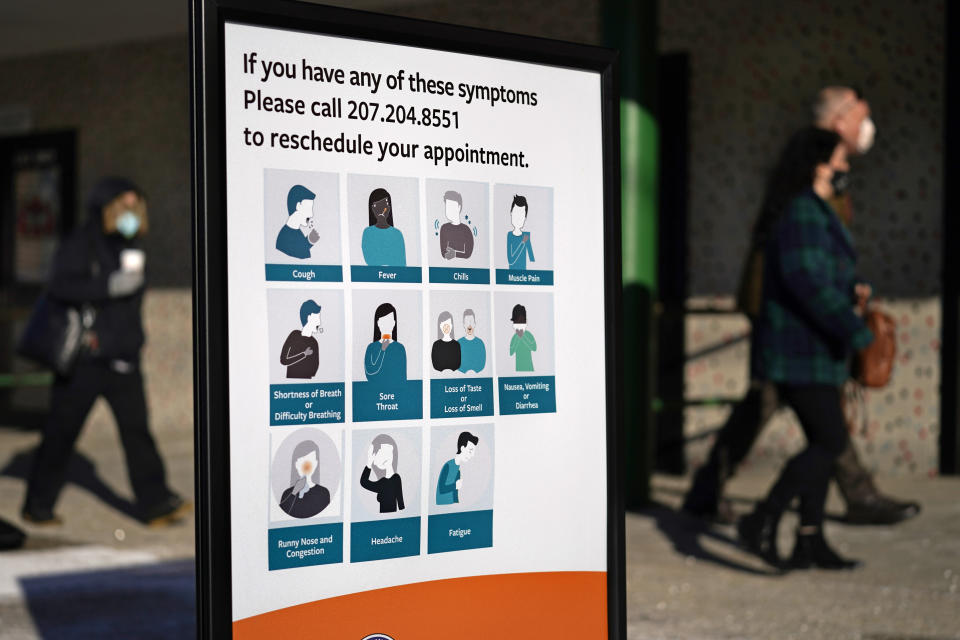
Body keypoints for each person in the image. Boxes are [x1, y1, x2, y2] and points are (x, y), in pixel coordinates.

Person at [683, 86, 919, 526]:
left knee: (801, 412)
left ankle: (808, 513)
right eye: (861, 118)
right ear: (839, 122)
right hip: (792, 319)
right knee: (800, 411)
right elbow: (800, 263)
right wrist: (847, 322)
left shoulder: (826, 174)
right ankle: (819, 504)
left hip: (802, 315)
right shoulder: (806, 175)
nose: (867, 129)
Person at [737, 127, 872, 570]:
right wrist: (854, 327)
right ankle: (762, 517)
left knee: (822, 441)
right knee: (830, 442)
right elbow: (806, 282)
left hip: (815, 350)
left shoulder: (813, 210)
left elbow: (819, 274)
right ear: (819, 164)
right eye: (840, 159)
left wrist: (851, 291)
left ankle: (809, 539)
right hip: (802, 351)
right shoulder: (804, 213)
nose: (846, 168)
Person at [21, 177, 188, 526]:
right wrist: (107, 286)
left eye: (135, 206)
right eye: (123, 206)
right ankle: (38, 506)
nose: (131, 213)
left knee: (137, 433)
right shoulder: (82, 242)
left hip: (124, 358)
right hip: (87, 360)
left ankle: (156, 503)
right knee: (61, 432)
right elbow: (61, 285)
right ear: (106, 206)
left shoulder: (131, 244)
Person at [279, 440, 331, 518]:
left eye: (310, 460)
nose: (306, 465)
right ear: (296, 464)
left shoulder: (323, 493)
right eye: (302, 460)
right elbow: (282, 514)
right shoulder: (287, 494)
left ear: (316, 463)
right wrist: (294, 492)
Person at [359, 434, 404, 513]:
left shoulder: (396, 478)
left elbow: (400, 499)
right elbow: (364, 482)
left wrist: (402, 511)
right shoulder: (382, 482)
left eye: (387, 451)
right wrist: (369, 463)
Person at [363, 303, 407, 384]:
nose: (387, 325)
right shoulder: (371, 347)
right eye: (383, 321)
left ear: (394, 323)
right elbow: (369, 372)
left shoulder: (399, 348)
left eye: (389, 321)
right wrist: (382, 350)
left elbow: (402, 377)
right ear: (378, 323)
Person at [361, 188, 406, 266]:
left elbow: (401, 263)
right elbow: (370, 259)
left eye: (385, 205)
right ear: (372, 208)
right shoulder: (368, 233)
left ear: (389, 208)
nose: (382, 209)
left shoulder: (397, 234)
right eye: (377, 205)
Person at [279, 300, 322, 379]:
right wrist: (304, 354)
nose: (319, 323)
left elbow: (314, 368)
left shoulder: (314, 342)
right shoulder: (294, 335)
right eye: (317, 318)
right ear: (309, 318)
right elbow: (283, 361)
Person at [276, 184, 318, 259]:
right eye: (308, 208)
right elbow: (298, 256)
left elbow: (301, 252)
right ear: (298, 206)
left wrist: (309, 241)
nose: (311, 214)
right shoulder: (284, 238)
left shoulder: (296, 232)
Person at [436, 431, 478, 505]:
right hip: (442, 506)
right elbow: (441, 489)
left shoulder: (458, 470)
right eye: (470, 451)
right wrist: (455, 486)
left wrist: (457, 504)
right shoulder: (448, 465)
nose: (472, 455)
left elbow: (455, 494)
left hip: (451, 507)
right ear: (462, 448)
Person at [439, 190, 474, 260]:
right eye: (448, 207)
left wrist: (455, 254)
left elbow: (468, 253)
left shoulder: (466, 229)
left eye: (452, 207)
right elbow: (444, 253)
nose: (449, 210)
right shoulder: (444, 228)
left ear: (459, 207)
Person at [506, 195, 534, 270]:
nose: (518, 218)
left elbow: (532, 258)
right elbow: (510, 260)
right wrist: (523, 242)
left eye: (521, 215)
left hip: (524, 275)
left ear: (525, 218)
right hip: (511, 275)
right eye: (516, 213)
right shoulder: (510, 235)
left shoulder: (526, 236)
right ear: (511, 213)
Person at [508, 304, 536, 372]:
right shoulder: (514, 337)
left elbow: (534, 348)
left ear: (525, 321)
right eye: (516, 322)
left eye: (521, 321)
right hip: (518, 370)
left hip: (529, 369)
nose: (518, 324)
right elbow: (511, 352)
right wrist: (518, 338)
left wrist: (523, 336)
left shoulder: (528, 335)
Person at [457, 309, 486, 374]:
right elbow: (456, 362)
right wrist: (465, 372)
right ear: (463, 324)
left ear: (474, 324)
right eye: (467, 322)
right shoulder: (458, 343)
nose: (469, 325)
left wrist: (475, 372)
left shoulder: (480, 343)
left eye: (471, 322)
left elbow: (482, 362)